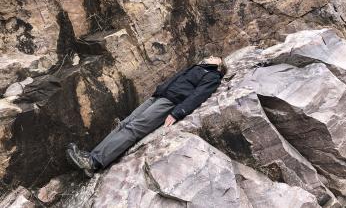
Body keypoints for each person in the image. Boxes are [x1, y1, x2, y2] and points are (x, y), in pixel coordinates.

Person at [66, 55, 227, 177]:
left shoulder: (213, 76)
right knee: (124, 124)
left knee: (133, 129)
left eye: (215, 57)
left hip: (170, 103)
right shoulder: (197, 67)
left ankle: (94, 163)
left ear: (219, 65)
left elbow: (198, 95)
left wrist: (178, 112)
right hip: (158, 97)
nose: (210, 56)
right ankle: (90, 156)